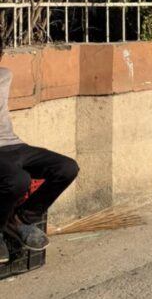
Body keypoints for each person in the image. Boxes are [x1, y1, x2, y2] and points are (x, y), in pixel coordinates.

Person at [0, 39, 79, 263]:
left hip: (14, 145)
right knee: (18, 180)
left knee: (66, 168)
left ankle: (21, 219)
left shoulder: (4, 75)